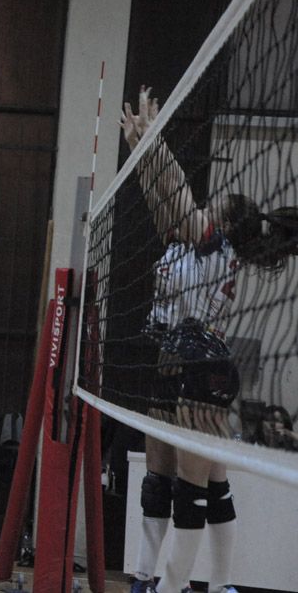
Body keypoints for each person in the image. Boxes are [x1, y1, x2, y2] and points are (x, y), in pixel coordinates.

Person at [121, 86, 298, 593]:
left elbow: (176, 189)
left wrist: (156, 139)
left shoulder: (213, 243)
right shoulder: (184, 239)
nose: (207, 201)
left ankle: (178, 587)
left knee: (191, 490)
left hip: (204, 367)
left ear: (224, 221)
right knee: (165, 482)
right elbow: (161, 197)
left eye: (215, 203)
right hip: (172, 360)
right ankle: (164, 581)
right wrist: (140, 147)